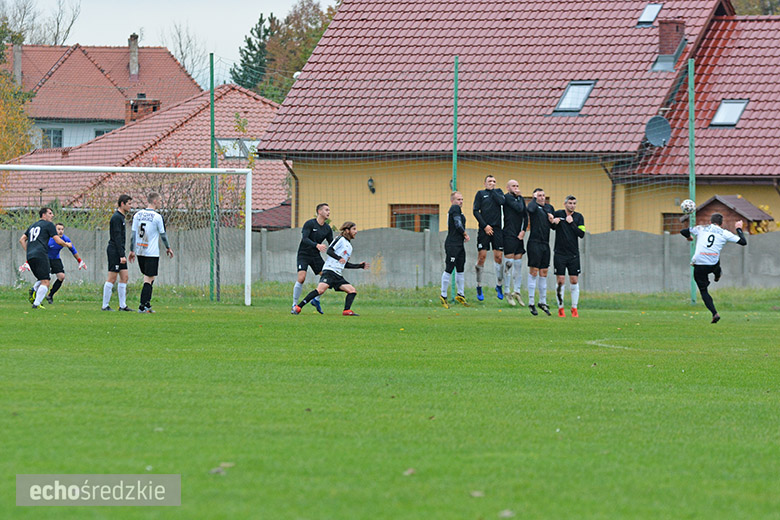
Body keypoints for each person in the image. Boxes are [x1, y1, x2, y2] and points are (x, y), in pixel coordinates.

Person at [681, 213, 746, 323]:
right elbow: (743, 242)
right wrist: (738, 228)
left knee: (703, 291)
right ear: (721, 224)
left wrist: (689, 237)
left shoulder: (701, 228)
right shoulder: (724, 232)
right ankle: (717, 274)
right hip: (712, 264)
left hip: (698, 263)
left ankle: (714, 313)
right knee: (716, 258)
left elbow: (683, 231)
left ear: (710, 222)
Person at [293, 222, 370, 316]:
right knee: (320, 290)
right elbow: (329, 251)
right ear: (347, 230)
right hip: (329, 271)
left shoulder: (349, 247)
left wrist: (359, 266)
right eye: (354, 229)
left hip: (337, 274)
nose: (356, 232)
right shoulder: (340, 239)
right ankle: (298, 307)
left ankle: (346, 311)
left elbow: (344, 264)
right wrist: (338, 258)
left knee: (352, 291)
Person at [18, 207, 69, 309]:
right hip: (41, 254)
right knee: (46, 281)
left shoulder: (32, 226)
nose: (52, 215)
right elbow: (58, 240)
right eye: (50, 213)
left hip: (30, 256)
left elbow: (22, 239)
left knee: (42, 279)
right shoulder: (49, 225)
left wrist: (28, 251)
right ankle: (36, 304)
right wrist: (67, 244)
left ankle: (34, 291)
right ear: (44, 215)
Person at [131, 192, 174, 313]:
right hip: (151, 252)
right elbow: (163, 235)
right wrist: (168, 247)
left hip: (140, 251)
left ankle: (147, 304)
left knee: (150, 277)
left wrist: (131, 250)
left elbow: (133, 234)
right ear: (154, 201)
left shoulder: (137, 215)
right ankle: (142, 306)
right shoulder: (157, 217)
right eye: (159, 201)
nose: (160, 203)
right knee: (148, 279)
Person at [292, 203, 333, 314]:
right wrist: (317, 245)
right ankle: (294, 304)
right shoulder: (310, 224)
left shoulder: (327, 228)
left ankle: (316, 300)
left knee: (328, 277)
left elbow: (332, 244)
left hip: (315, 256)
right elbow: (305, 239)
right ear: (319, 211)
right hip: (304, 254)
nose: (328, 212)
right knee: (301, 278)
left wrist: (341, 254)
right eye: (326, 210)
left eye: (329, 210)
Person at [472, 174, 505, 301]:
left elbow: (502, 202)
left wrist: (493, 191)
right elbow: (475, 211)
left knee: (499, 257)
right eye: (490, 181)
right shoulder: (480, 194)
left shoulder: (498, 192)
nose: (492, 183)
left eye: (494, 181)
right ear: (485, 183)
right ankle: (479, 286)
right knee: (482, 257)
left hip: (497, 229)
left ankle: (499, 285)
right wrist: (485, 226)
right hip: (484, 229)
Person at [552, 195, 585, 317]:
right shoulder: (558, 213)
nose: (572, 205)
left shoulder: (579, 217)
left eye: (574, 203)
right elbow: (552, 226)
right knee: (560, 280)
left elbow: (581, 234)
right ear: (565, 204)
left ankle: (574, 308)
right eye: (570, 203)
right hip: (560, 254)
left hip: (573, 254)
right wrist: (554, 222)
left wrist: (572, 223)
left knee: (574, 280)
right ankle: (561, 308)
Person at [525, 188, 555, 316]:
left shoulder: (549, 208)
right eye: (539, 195)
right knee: (534, 271)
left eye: (543, 195)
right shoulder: (533, 206)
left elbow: (553, 226)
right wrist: (533, 198)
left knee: (544, 272)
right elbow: (530, 209)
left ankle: (542, 301)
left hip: (545, 244)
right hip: (534, 243)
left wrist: (553, 220)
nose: (542, 197)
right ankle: (531, 302)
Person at [439, 191, 470, 308]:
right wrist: (465, 234)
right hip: (452, 244)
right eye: (458, 199)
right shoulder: (454, 208)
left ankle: (460, 294)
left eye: (462, 199)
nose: (460, 202)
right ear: (452, 201)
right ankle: (443, 295)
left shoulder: (459, 211)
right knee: (449, 268)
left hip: (459, 244)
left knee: (460, 269)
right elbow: (457, 224)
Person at [44, 223, 87, 304]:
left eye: (62, 229)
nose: (60, 231)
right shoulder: (49, 239)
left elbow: (73, 250)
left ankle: (50, 295)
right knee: (44, 279)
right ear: (54, 230)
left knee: (61, 276)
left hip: (55, 259)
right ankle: (35, 294)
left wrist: (80, 261)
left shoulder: (65, 239)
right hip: (45, 259)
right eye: (58, 229)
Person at [502, 180, 528, 307]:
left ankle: (517, 291)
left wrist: (523, 231)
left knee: (518, 264)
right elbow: (519, 208)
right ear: (508, 188)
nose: (516, 188)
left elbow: (525, 215)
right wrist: (519, 198)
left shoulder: (520, 199)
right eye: (513, 186)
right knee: (509, 264)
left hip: (519, 235)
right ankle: (507, 291)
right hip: (509, 234)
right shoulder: (507, 198)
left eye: (517, 186)